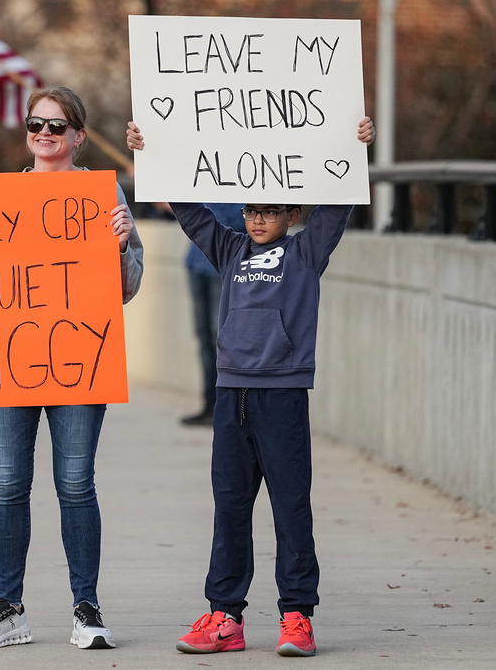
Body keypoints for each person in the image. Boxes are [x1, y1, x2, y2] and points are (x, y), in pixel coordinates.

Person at [125, 116, 375, 657]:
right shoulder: (230, 249)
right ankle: (224, 617)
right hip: (230, 394)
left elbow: (339, 204)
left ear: (292, 214)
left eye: (270, 211)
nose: (259, 219)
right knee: (230, 505)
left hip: (282, 396)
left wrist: (355, 149)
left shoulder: (307, 253)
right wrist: (152, 154)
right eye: (252, 210)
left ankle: (296, 617)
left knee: (290, 505)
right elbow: (188, 210)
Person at [0, 85, 144, 650]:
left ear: (78, 136)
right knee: (7, 485)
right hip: (7, 361)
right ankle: (8, 608)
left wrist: (121, 246)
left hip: (78, 360)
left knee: (75, 484)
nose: (43, 135)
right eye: (35, 125)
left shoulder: (103, 193)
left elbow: (126, 289)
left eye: (56, 126)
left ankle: (86, 607)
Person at [180, 202, 246, 427]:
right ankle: (210, 404)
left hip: (223, 266)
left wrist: (202, 208)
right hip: (197, 262)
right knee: (204, 339)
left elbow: (238, 219)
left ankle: (228, 407)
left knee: (224, 340)